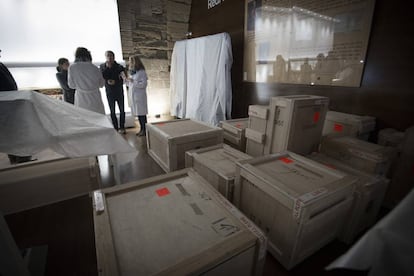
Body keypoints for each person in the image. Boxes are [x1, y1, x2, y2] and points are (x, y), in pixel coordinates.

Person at [0, 49, 32, 164]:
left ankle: (19, 157)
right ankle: (18, 158)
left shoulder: (1, 64)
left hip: (11, 105)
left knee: (16, 132)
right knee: (12, 134)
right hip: (5, 107)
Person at [68, 47, 105, 114]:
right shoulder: (94, 68)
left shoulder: (72, 67)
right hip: (95, 98)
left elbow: (71, 85)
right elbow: (102, 84)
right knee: (98, 119)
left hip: (81, 98)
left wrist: (80, 86)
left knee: (84, 120)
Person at [100, 51, 126, 134]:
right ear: (105, 57)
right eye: (108, 56)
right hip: (109, 92)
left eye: (111, 56)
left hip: (119, 91)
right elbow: (101, 78)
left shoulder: (119, 66)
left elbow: (124, 78)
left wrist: (116, 82)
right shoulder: (102, 67)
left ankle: (122, 127)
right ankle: (115, 128)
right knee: (112, 111)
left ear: (114, 57)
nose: (110, 58)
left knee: (122, 110)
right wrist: (108, 68)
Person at [125, 55, 148, 136]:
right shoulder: (132, 72)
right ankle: (141, 129)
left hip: (140, 96)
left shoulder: (142, 72)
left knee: (142, 114)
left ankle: (144, 130)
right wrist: (126, 80)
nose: (130, 63)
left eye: (131, 61)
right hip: (134, 95)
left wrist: (133, 81)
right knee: (138, 114)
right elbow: (130, 84)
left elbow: (143, 84)